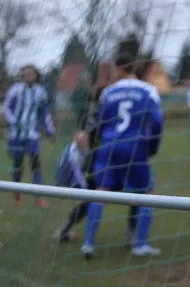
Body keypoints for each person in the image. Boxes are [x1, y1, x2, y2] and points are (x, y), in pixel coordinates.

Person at [82, 54, 164, 259]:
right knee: (146, 194)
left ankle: (88, 244)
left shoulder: (108, 92)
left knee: (100, 193)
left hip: (108, 147)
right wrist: (152, 146)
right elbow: (156, 121)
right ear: (134, 67)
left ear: (118, 70)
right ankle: (140, 244)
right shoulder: (148, 90)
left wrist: (98, 146)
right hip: (135, 147)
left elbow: (98, 123)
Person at [3, 65, 55, 207]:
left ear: (35, 75)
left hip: (32, 134)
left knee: (35, 164)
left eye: (32, 74)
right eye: (26, 74)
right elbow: (6, 108)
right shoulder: (15, 90)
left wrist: (49, 129)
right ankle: (17, 193)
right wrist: (14, 122)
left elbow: (44, 112)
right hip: (16, 135)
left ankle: (39, 197)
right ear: (22, 76)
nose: (30, 76)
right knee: (18, 165)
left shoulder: (41, 91)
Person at [53, 131, 89, 241]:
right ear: (75, 139)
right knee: (85, 203)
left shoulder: (77, 149)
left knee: (84, 204)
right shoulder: (72, 153)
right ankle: (63, 231)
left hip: (69, 181)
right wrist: (84, 186)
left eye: (84, 139)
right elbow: (76, 171)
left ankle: (64, 230)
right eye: (80, 139)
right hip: (66, 184)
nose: (83, 142)